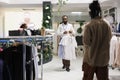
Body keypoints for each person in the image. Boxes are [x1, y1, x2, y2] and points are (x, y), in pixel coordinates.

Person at [82, 0, 112, 80]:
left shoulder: (89, 26)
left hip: (90, 58)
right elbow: (109, 38)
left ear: (90, 12)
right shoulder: (107, 24)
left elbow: (86, 42)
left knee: (87, 78)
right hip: (103, 59)